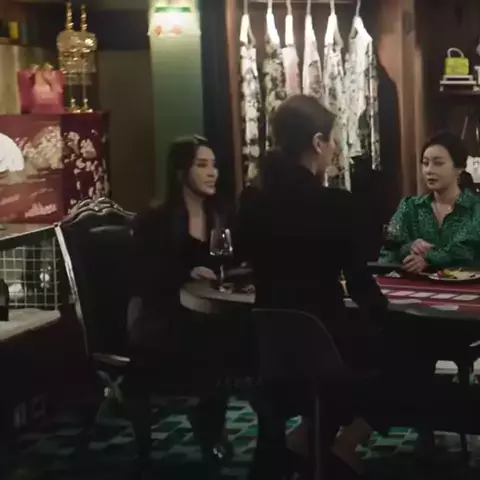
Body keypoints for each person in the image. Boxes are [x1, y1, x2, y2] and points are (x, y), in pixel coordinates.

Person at [235, 94, 389, 478]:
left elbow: (241, 259)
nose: (334, 148)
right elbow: (359, 284)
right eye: (332, 140)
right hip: (324, 343)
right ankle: (339, 445)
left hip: (266, 345)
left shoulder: (252, 200)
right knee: (398, 352)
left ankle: (306, 441)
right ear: (318, 142)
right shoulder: (337, 205)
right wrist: (386, 315)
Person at [125, 135, 232, 472]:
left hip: (208, 313)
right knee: (216, 342)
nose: (212, 173)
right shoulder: (156, 219)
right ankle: (210, 434)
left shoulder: (219, 213)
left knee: (238, 332)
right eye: (202, 165)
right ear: (180, 172)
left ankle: (219, 431)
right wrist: (185, 274)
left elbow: (232, 261)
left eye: (214, 165)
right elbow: (142, 278)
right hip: (162, 319)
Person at [380, 132, 480, 272]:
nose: (429, 170)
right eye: (425, 163)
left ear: (459, 168)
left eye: (438, 163)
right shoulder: (410, 207)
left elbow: (467, 251)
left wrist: (429, 257)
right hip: (416, 285)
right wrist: (410, 248)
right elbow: (388, 253)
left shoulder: (475, 208)